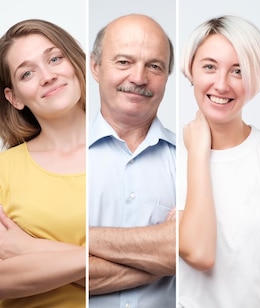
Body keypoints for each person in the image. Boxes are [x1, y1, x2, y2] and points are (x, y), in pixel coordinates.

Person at [177, 15, 260, 307]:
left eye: (238, 71)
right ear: (191, 69)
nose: (221, 84)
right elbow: (199, 253)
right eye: (209, 67)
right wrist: (199, 154)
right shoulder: (170, 155)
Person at [87, 14, 175, 307]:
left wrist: (72, 241)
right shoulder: (57, 157)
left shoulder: (194, 161)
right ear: (96, 67)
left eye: (154, 66)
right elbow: (37, 268)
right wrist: (160, 255)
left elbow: (192, 251)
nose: (139, 78)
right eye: (124, 62)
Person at [0, 19, 86, 307]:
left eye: (54, 58)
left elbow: (164, 261)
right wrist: (104, 257)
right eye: (27, 73)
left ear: (75, 62)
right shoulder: (4, 171)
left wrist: (32, 249)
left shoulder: (138, 152)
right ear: (14, 98)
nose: (48, 76)